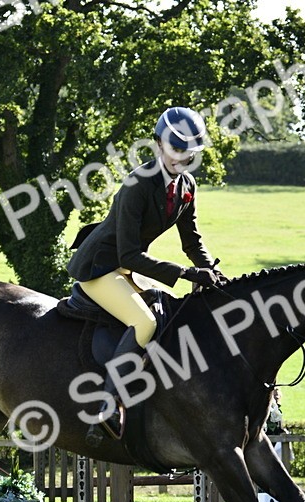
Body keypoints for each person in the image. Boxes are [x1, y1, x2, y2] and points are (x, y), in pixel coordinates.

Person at [67, 106, 224, 443]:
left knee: (171, 308)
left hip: (127, 266)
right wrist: (186, 273)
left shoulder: (186, 186)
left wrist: (210, 269)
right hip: (100, 267)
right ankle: (107, 405)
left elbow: (191, 239)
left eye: (189, 153)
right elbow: (128, 255)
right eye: (176, 150)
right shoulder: (138, 184)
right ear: (158, 144)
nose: (181, 159)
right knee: (146, 323)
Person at [259, 389, 288, 502]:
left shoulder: (277, 409)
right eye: (274, 393)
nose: (276, 395)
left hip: (275, 443)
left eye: (277, 393)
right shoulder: (265, 406)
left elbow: (278, 425)